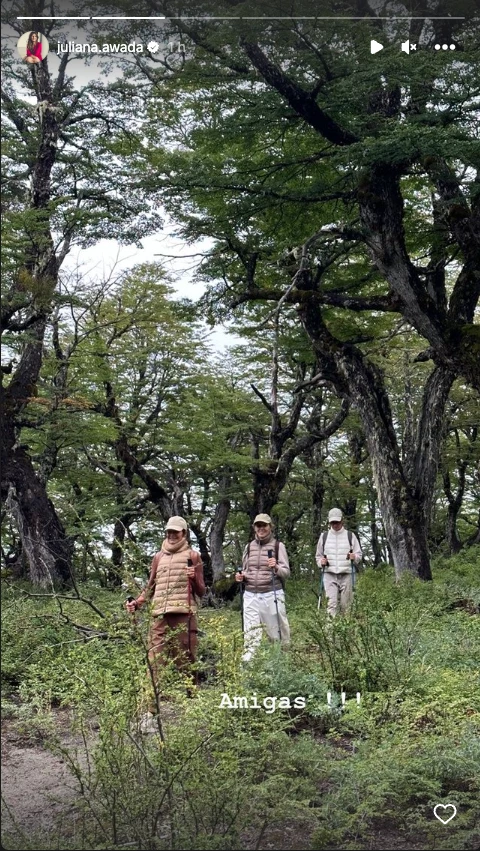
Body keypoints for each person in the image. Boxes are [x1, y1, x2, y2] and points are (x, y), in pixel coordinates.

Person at [126, 516, 205, 730]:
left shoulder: (193, 556)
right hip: (159, 616)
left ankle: (194, 706)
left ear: (184, 533)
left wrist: (193, 576)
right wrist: (138, 602)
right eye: (169, 531)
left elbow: (201, 590)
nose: (171, 535)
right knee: (154, 664)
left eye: (176, 532)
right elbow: (151, 588)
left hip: (184, 615)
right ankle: (149, 714)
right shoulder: (158, 557)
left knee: (187, 662)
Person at [235, 513, 291, 662]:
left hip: (271, 594)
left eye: (264, 525)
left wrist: (276, 567)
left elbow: (286, 573)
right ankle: (247, 666)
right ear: (254, 528)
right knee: (251, 634)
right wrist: (241, 577)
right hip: (250, 595)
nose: (261, 528)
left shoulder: (279, 546)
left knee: (275, 634)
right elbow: (246, 571)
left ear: (270, 527)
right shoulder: (248, 547)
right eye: (258, 525)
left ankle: (281, 664)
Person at [315, 508, 362, 617]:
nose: (335, 524)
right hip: (329, 574)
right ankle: (330, 632)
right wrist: (320, 562)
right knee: (332, 604)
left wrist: (354, 556)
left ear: (342, 520)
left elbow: (359, 555)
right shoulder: (324, 536)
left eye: (337, 522)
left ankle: (347, 632)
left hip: (347, 574)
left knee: (347, 605)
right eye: (332, 522)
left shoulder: (350, 536)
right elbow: (318, 556)